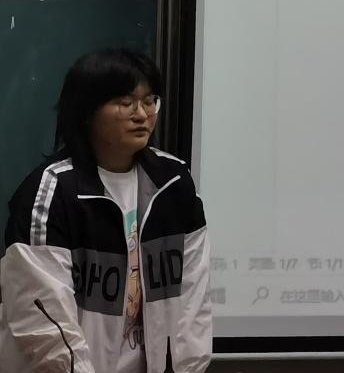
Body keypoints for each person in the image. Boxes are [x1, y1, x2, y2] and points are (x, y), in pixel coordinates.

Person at [0, 49, 212, 372]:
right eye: (126, 102)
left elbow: (193, 298)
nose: (142, 114)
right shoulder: (51, 192)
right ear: (87, 111)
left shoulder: (173, 183)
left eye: (150, 101)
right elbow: (43, 319)